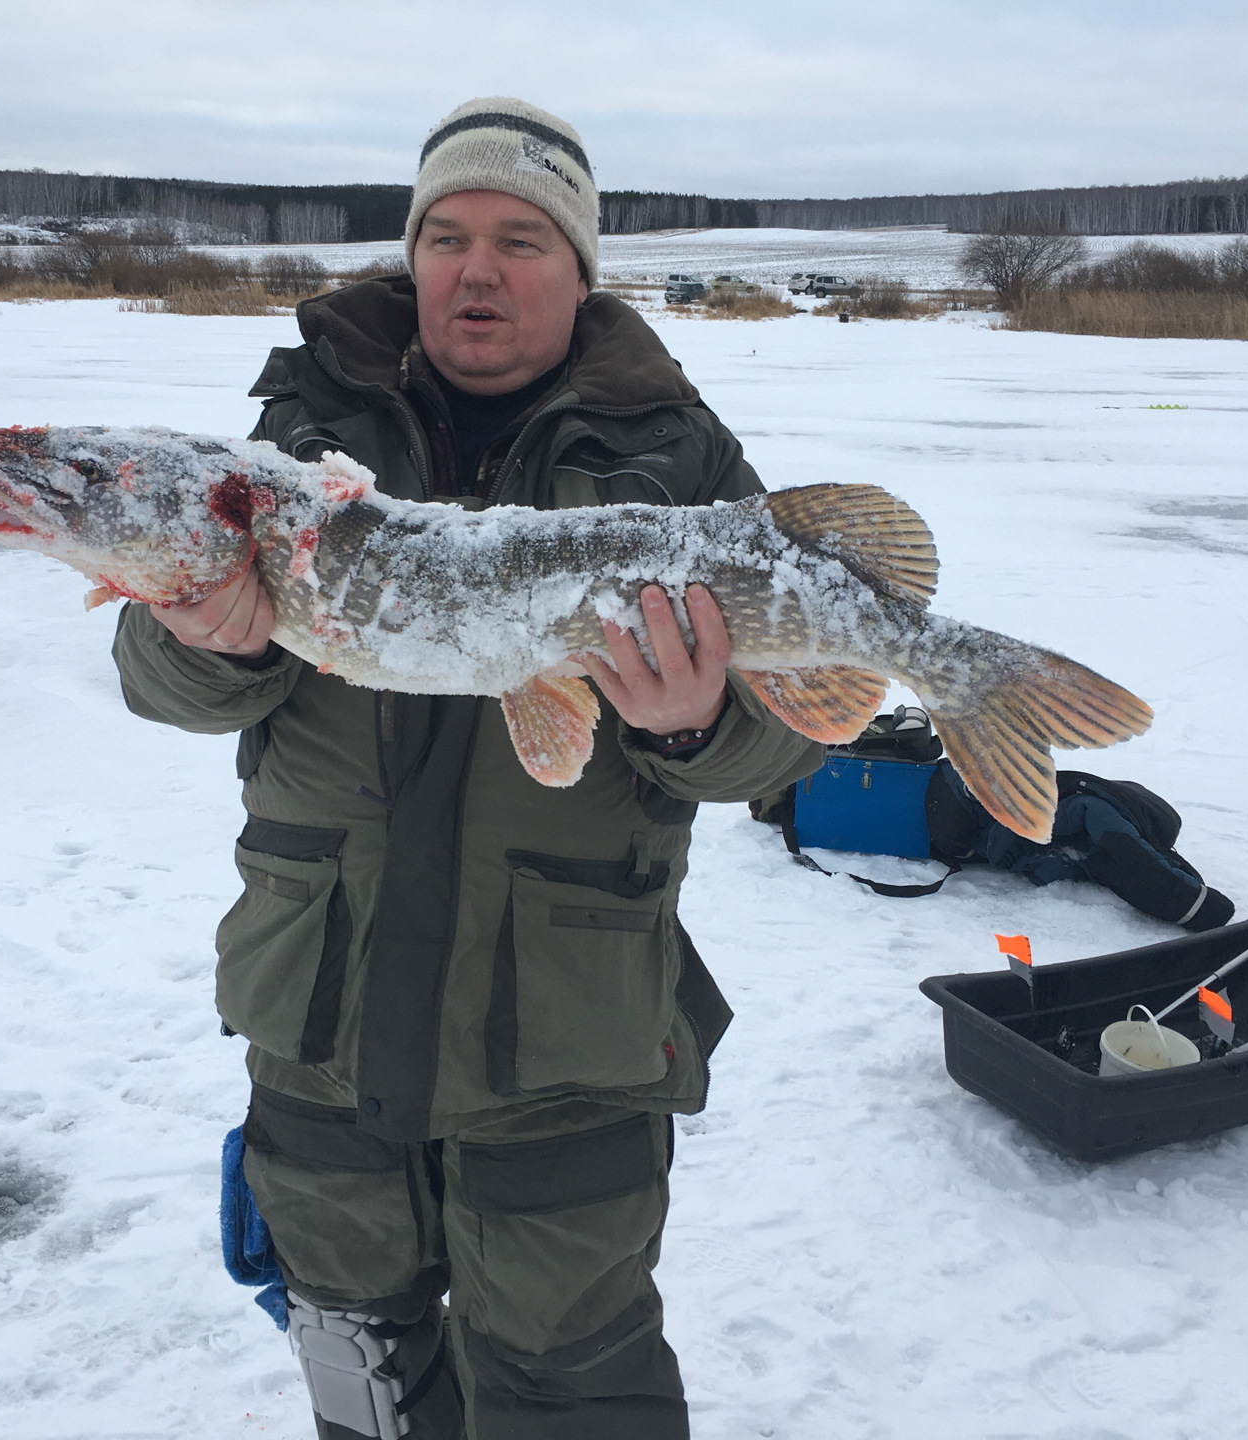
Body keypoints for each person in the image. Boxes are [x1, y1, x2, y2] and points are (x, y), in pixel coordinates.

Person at [112, 97, 823, 1439]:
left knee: (571, 1391)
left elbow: (788, 735)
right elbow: (161, 687)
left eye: (521, 239)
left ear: (580, 269)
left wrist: (687, 726)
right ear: (412, 254)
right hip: (320, 1020)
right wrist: (215, 645)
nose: (477, 269)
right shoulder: (292, 449)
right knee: (360, 1378)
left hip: (568, 1043)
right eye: (446, 235)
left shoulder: (683, 465)